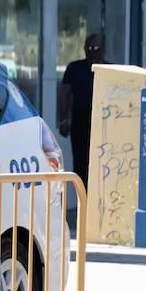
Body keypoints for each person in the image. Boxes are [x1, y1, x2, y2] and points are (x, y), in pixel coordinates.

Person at [57, 33, 105, 192]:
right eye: (88, 48)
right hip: (81, 125)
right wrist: (63, 120)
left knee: (101, 168)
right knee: (81, 167)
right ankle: (82, 207)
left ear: (103, 50)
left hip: (103, 128)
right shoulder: (74, 68)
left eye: (96, 48)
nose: (92, 51)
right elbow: (64, 94)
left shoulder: (109, 69)